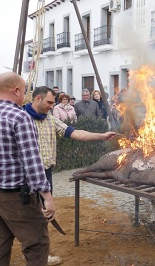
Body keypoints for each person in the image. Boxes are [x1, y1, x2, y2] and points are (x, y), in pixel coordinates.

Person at [23, 86, 116, 265]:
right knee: (28, 215)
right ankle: (35, 254)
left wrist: (102, 136)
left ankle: (42, 255)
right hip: (24, 176)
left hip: (45, 173)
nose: (52, 106)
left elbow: (76, 133)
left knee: (43, 215)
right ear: (37, 99)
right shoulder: (21, 119)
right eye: (50, 102)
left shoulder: (50, 120)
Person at [0, 72, 55, 266]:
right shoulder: (20, 117)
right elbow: (33, 163)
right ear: (16, 90)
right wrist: (47, 197)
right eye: (24, 90)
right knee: (37, 244)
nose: (25, 94)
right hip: (15, 197)